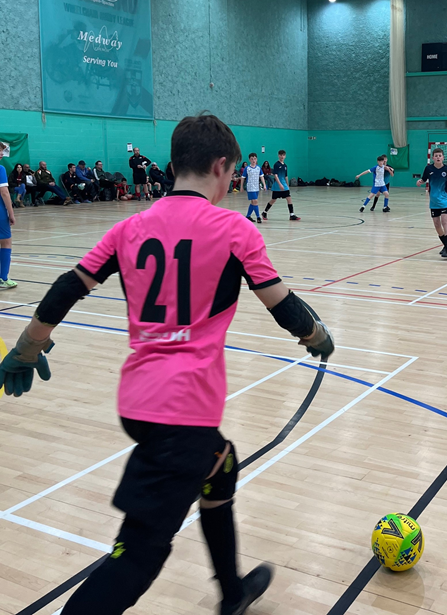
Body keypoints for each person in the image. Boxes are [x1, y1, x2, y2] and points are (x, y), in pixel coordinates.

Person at [0, 112, 334, 615]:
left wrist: (29, 345)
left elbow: (68, 287)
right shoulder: (235, 229)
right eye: (232, 173)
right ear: (221, 167)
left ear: (174, 166)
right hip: (183, 410)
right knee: (138, 556)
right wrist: (316, 335)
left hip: (138, 401)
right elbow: (283, 305)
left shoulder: (129, 228)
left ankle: (232, 592)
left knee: (221, 465)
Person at [416, 148, 447, 258]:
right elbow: (424, 179)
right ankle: (446, 246)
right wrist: (420, 182)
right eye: (436, 156)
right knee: (437, 224)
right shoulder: (428, 169)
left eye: (440, 155)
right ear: (433, 158)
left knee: (444, 222)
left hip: (444, 200)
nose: (438, 157)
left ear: (443, 157)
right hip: (433, 201)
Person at [262, 150, 301, 221]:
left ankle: (292, 215)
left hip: (284, 185)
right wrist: (280, 184)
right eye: (281, 155)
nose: (282, 156)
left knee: (289, 198)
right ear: (278, 155)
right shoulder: (276, 164)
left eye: (283, 155)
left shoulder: (285, 166)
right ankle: (264, 212)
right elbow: (275, 175)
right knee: (273, 200)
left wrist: (287, 185)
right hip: (277, 186)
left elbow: (286, 176)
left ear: (285, 156)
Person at [0, 148, 17, 289]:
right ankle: (3, 278)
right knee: (6, 243)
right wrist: (11, 213)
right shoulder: (0, 169)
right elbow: (4, 192)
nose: (1, 154)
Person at [241, 154, 265, 223]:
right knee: (255, 201)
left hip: (256, 187)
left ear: (256, 159)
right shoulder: (247, 168)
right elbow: (243, 177)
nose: (253, 160)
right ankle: (258, 217)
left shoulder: (258, 168)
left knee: (253, 202)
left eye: (254, 159)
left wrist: (264, 185)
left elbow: (261, 176)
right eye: (252, 159)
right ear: (249, 160)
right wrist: (241, 186)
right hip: (250, 187)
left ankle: (248, 216)